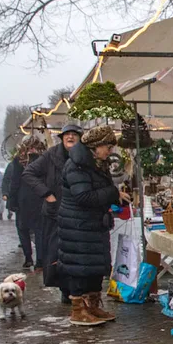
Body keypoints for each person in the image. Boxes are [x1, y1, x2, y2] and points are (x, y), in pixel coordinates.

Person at [58, 125, 122, 326]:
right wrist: (113, 193)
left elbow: (98, 189)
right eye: (108, 147)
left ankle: (93, 305)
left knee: (94, 266)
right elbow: (84, 196)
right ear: (96, 146)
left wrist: (116, 196)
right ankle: (78, 310)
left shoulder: (95, 163)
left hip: (92, 223)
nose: (110, 152)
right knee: (80, 266)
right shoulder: (77, 165)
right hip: (77, 225)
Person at [25, 123, 81, 301]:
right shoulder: (51, 155)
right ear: (62, 138)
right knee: (56, 252)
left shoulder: (84, 155)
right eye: (67, 135)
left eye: (74, 134)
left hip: (78, 211)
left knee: (76, 252)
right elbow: (29, 173)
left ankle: (77, 289)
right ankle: (64, 289)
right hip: (55, 212)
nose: (70, 137)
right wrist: (47, 194)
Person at [6, 138, 46, 268]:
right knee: (39, 231)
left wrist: (12, 200)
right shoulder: (45, 159)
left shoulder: (20, 160)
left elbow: (15, 181)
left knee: (23, 229)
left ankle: (28, 257)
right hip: (40, 198)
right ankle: (40, 260)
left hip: (23, 200)